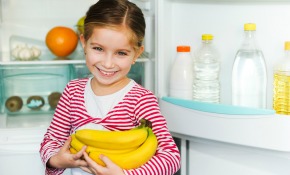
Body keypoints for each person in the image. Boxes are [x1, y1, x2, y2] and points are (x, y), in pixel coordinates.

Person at [39, 0, 181, 174]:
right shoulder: (73, 91)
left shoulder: (141, 99)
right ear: (84, 43)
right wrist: (55, 160)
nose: (107, 63)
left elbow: (170, 156)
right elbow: (52, 140)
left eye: (121, 53)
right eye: (98, 48)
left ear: (136, 53)